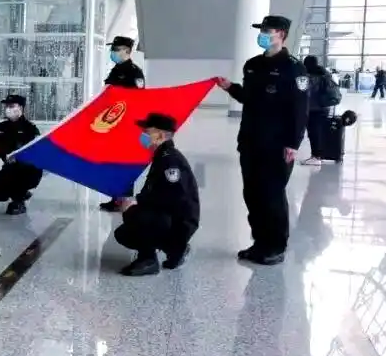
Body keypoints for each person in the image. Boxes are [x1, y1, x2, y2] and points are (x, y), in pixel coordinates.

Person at [217, 15, 309, 266]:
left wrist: (293, 143)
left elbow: (300, 109)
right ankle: (260, 242)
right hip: (250, 140)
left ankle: (276, 246)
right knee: (252, 194)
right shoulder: (253, 65)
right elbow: (249, 98)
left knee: (272, 195)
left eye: (268, 31)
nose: (263, 35)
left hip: (277, 144)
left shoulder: (294, 68)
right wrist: (230, 87)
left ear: (281, 34)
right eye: (262, 30)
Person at [111, 113, 200, 276]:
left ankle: (150, 259)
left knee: (134, 216)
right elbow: (156, 191)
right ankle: (174, 249)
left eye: (147, 132)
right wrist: (135, 200)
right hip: (172, 217)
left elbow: (173, 197)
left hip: (180, 221)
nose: (143, 136)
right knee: (123, 232)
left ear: (160, 136)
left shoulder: (170, 159)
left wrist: (135, 203)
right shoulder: (162, 155)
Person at [0, 94, 43, 215]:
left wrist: (20, 159)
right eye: (7, 106)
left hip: (28, 172)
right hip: (9, 171)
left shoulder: (31, 130)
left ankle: (19, 200)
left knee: (18, 175)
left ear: (21, 108)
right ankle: (17, 192)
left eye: (12, 106)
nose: (8, 109)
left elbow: (37, 157)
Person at [99, 35, 145, 213]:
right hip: (113, 123)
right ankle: (116, 197)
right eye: (113, 50)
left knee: (124, 162)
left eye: (116, 50)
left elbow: (138, 99)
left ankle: (124, 199)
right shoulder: (115, 70)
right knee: (113, 161)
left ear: (127, 51)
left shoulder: (134, 73)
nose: (113, 53)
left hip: (127, 124)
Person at [302, 55, 340, 165]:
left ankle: (316, 157)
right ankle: (319, 155)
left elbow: (307, 93)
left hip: (313, 108)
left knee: (313, 133)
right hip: (324, 107)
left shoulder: (310, 76)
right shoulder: (325, 74)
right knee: (319, 132)